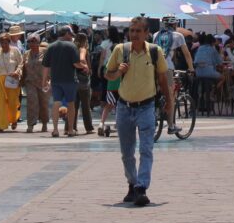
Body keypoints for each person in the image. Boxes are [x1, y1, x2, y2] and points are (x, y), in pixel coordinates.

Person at [104, 17, 175, 208]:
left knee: (146, 149)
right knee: (127, 152)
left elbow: (162, 79)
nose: (134, 34)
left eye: (138, 31)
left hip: (146, 107)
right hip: (124, 107)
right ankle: (132, 183)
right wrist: (118, 72)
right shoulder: (121, 50)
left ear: (146, 33)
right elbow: (107, 74)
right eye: (131, 30)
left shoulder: (154, 51)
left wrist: (169, 102)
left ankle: (141, 187)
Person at [42, 26, 79, 138]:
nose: (72, 37)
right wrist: (85, 67)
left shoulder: (51, 46)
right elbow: (76, 64)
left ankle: (55, 130)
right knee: (71, 103)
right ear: (66, 33)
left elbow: (46, 66)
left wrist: (44, 81)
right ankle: (70, 130)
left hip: (55, 80)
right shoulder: (72, 46)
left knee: (56, 103)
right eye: (71, 35)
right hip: (69, 79)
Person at [0, 32, 24, 133]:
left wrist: (17, 72)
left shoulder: (15, 51)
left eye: (6, 43)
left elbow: (21, 63)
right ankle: (2, 124)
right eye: (2, 43)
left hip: (12, 79)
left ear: (9, 42)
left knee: (13, 102)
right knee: (0, 102)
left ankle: (14, 119)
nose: (4, 45)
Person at [21, 34, 49, 133]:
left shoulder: (45, 52)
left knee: (43, 103)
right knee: (31, 102)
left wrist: (49, 78)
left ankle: (44, 123)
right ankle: (30, 124)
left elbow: (50, 65)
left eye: (34, 41)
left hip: (43, 82)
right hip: (30, 81)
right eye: (29, 42)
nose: (32, 44)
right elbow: (21, 65)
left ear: (38, 42)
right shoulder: (26, 54)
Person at [70, 33, 94, 135]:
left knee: (73, 105)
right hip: (83, 80)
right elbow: (82, 59)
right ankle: (88, 128)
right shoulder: (83, 49)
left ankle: (71, 127)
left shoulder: (72, 49)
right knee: (85, 105)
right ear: (85, 40)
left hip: (73, 79)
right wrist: (86, 67)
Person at [192, 34, 221, 114]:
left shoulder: (199, 48)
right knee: (223, 77)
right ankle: (212, 92)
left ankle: (206, 92)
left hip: (198, 73)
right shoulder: (212, 49)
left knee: (204, 81)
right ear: (212, 42)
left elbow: (195, 60)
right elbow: (219, 62)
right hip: (209, 72)